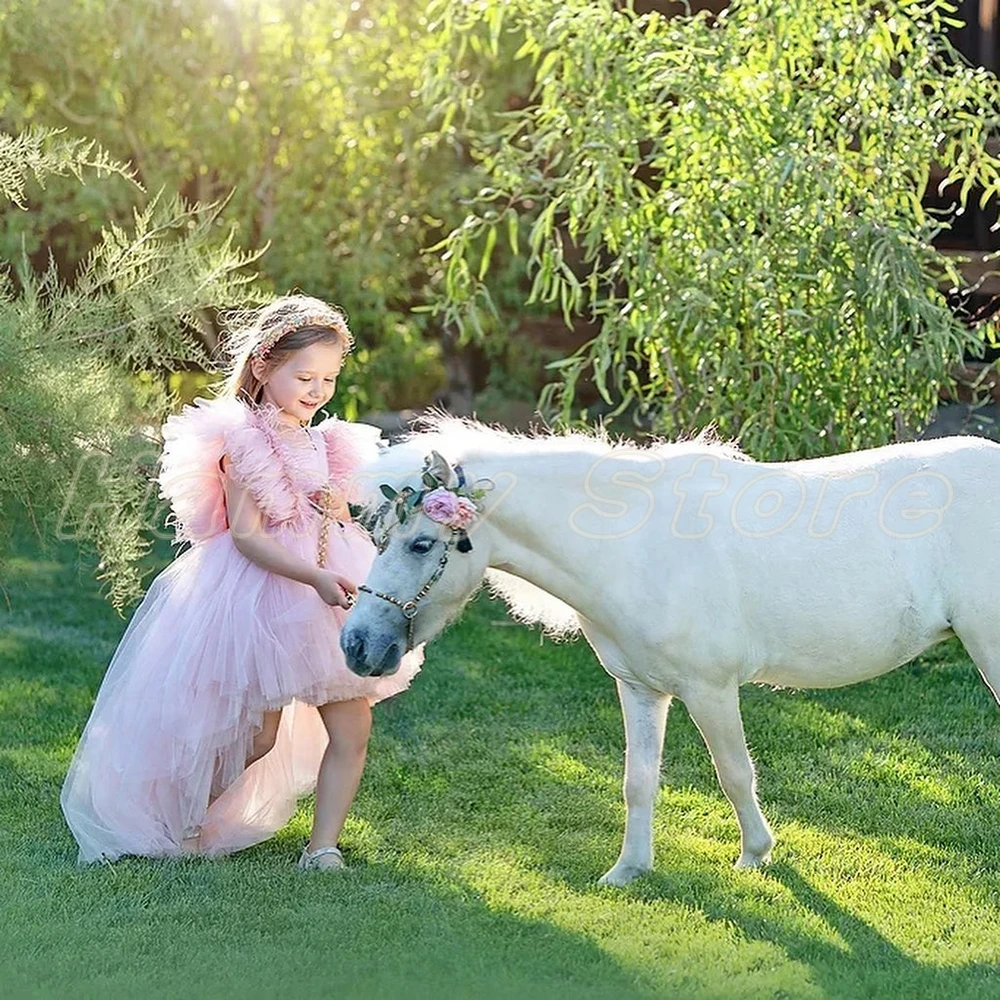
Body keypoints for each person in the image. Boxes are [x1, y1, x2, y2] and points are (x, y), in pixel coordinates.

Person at [60, 295, 422, 871]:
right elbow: (248, 536)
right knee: (257, 737)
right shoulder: (246, 440)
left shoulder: (327, 440)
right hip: (267, 592)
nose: (318, 389)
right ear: (262, 366)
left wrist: (338, 510)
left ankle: (322, 847)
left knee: (354, 725)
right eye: (304, 376)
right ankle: (179, 820)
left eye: (329, 378)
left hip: (332, 588)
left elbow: (336, 518)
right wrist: (314, 576)